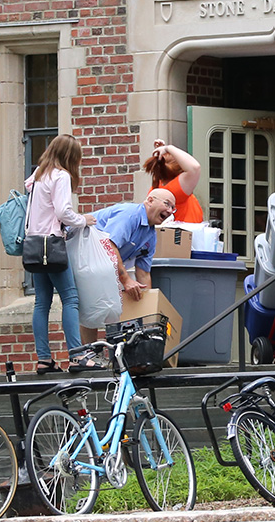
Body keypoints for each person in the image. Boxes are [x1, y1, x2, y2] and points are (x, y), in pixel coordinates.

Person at [74, 188, 178, 369]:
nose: (170, 211)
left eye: (173, 208)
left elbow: (144, 274)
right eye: (167, 204)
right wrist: (126, 281)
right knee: (93, 303)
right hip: (81, 253)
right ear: (150, 200)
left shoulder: (151, 235)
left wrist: (148, 308)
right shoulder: (130, 215)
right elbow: (109, 245)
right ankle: (87, 355)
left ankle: (102, 356)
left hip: (101, 262)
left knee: (116, 302)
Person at [24, 134, 97, 374]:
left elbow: (33, 196)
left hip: (34, 246)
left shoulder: (37, 176)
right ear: (70, 157)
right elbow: (64, 212)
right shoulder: (62, 175)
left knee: (41, 303)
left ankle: (44, 359)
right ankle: (77, 356)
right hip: (52, 246)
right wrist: (83, 220)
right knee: (71, 299)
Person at [146, 138, 203, 222]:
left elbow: (162, 165)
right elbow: (195, 167)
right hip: (185, 233)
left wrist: (163, 153)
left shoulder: (157, 186)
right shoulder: (176, 189)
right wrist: (169, 148)